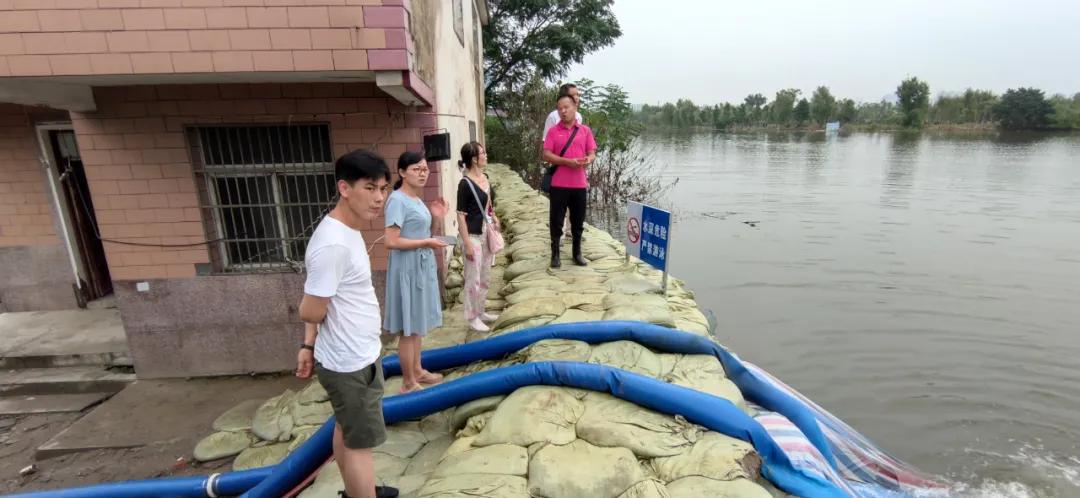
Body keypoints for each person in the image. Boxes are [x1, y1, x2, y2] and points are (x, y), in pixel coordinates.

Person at [295, 149, 399, 498]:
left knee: (348, 429)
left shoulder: (348, 230)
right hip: (348, 362)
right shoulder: (333, 245)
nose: (379, 198)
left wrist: (307, 345)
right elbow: (311, 310)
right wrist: (309, 335)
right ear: (344, 188)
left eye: (383, 188)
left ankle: (357, 491)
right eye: (370, 188)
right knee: (360, 443)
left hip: (356, 354)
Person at [383, 151, 449, 393]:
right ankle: (408, 382)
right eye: (416, 169)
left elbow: (427, 234)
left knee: (417, 323)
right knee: (408, 328)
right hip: (407, 268)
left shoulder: (417, 200)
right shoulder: (397, 200)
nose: (422, 173)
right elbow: (391, 241)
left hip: (420, 266)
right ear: (402, 172)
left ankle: (418, 370)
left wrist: (437, 218)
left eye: (425, 169)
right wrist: (426, 243)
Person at [542, 93, 597, 268]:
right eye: (560, 109)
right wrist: (567, 162)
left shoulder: (585, 130)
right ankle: (555, 254)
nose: (563, 111)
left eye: (566, 107)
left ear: (575, 107)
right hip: (559, 184)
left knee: (578, 221)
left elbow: (592, 153)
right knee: (556, 221)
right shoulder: (553, 131)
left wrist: (588, 159)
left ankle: (577, 253)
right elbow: (546, 154)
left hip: (579, 184)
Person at [455, 142, 500, 332]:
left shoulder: (485, 178)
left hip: (486, 233)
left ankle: (481, 311)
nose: (486, 155)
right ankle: (472, 317)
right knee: (472, 279)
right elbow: (460, 215)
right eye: (483, 153)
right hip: (472, 236)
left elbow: (488, 206)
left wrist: (494, 217)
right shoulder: (465, 184)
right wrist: (466, 244)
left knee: (485, 276)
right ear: (474, 159)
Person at [542, 83, 583, 240]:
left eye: (578, 94)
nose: (577, 97)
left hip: (575, 167)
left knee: (575, 202)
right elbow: (546, 143)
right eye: (574, 94)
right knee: (559, 204)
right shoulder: (553, 117)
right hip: (559, 165)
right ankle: (559, 235)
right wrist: (560, 161)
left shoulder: (579, 117)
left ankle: (572, 230)